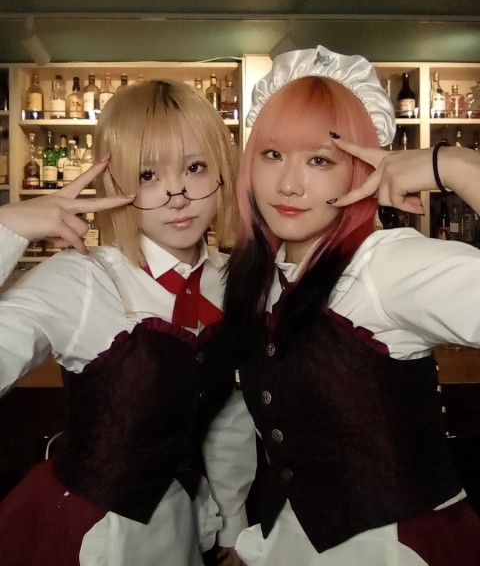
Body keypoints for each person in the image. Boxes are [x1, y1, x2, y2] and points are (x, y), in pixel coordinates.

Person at [223, 45, 480, 566]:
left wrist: (454, 165)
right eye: (272, 155)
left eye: (320, 160)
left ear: (359, 169)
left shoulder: (386, 266)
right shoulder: (262, 279)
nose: (288, 184)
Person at [0, 79, 255, 566]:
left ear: (223, 170)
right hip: (91, 536)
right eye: (147, 175)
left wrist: (233, 519)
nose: (177, 195)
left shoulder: (233, 280)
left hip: (185, 529)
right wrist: (9, 226)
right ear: (115, 184)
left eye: (195, 167)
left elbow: (226, 413)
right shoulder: (81, 279)